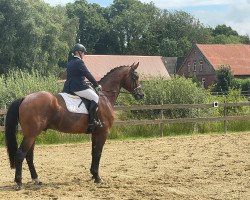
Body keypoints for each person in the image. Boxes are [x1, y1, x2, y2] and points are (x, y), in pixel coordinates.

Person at [63, 43, 102, 132]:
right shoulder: (79, 62)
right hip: (78, 87)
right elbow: (88, 74)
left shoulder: (70, 62)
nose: (84, 55)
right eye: (83, 53)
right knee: (95, 97)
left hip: (68, 87)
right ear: (79, 52)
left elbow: (75, 76)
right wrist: (96, 85)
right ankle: (92, 122)